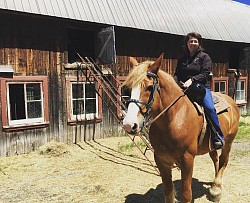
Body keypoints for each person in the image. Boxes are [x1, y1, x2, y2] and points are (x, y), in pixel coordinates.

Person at [173, 32, 224, 150]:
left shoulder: (204, 57)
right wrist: (174, 82)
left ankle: (218, 136)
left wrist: (192, 80)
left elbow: (205, 73)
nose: (193, 43)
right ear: (187, 43)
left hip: (200, 88)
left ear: (199, 43)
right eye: (190, 41)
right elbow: (177, 74)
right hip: (183, 88)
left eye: (195, 41)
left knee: (210, 108)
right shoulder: (182, 59)